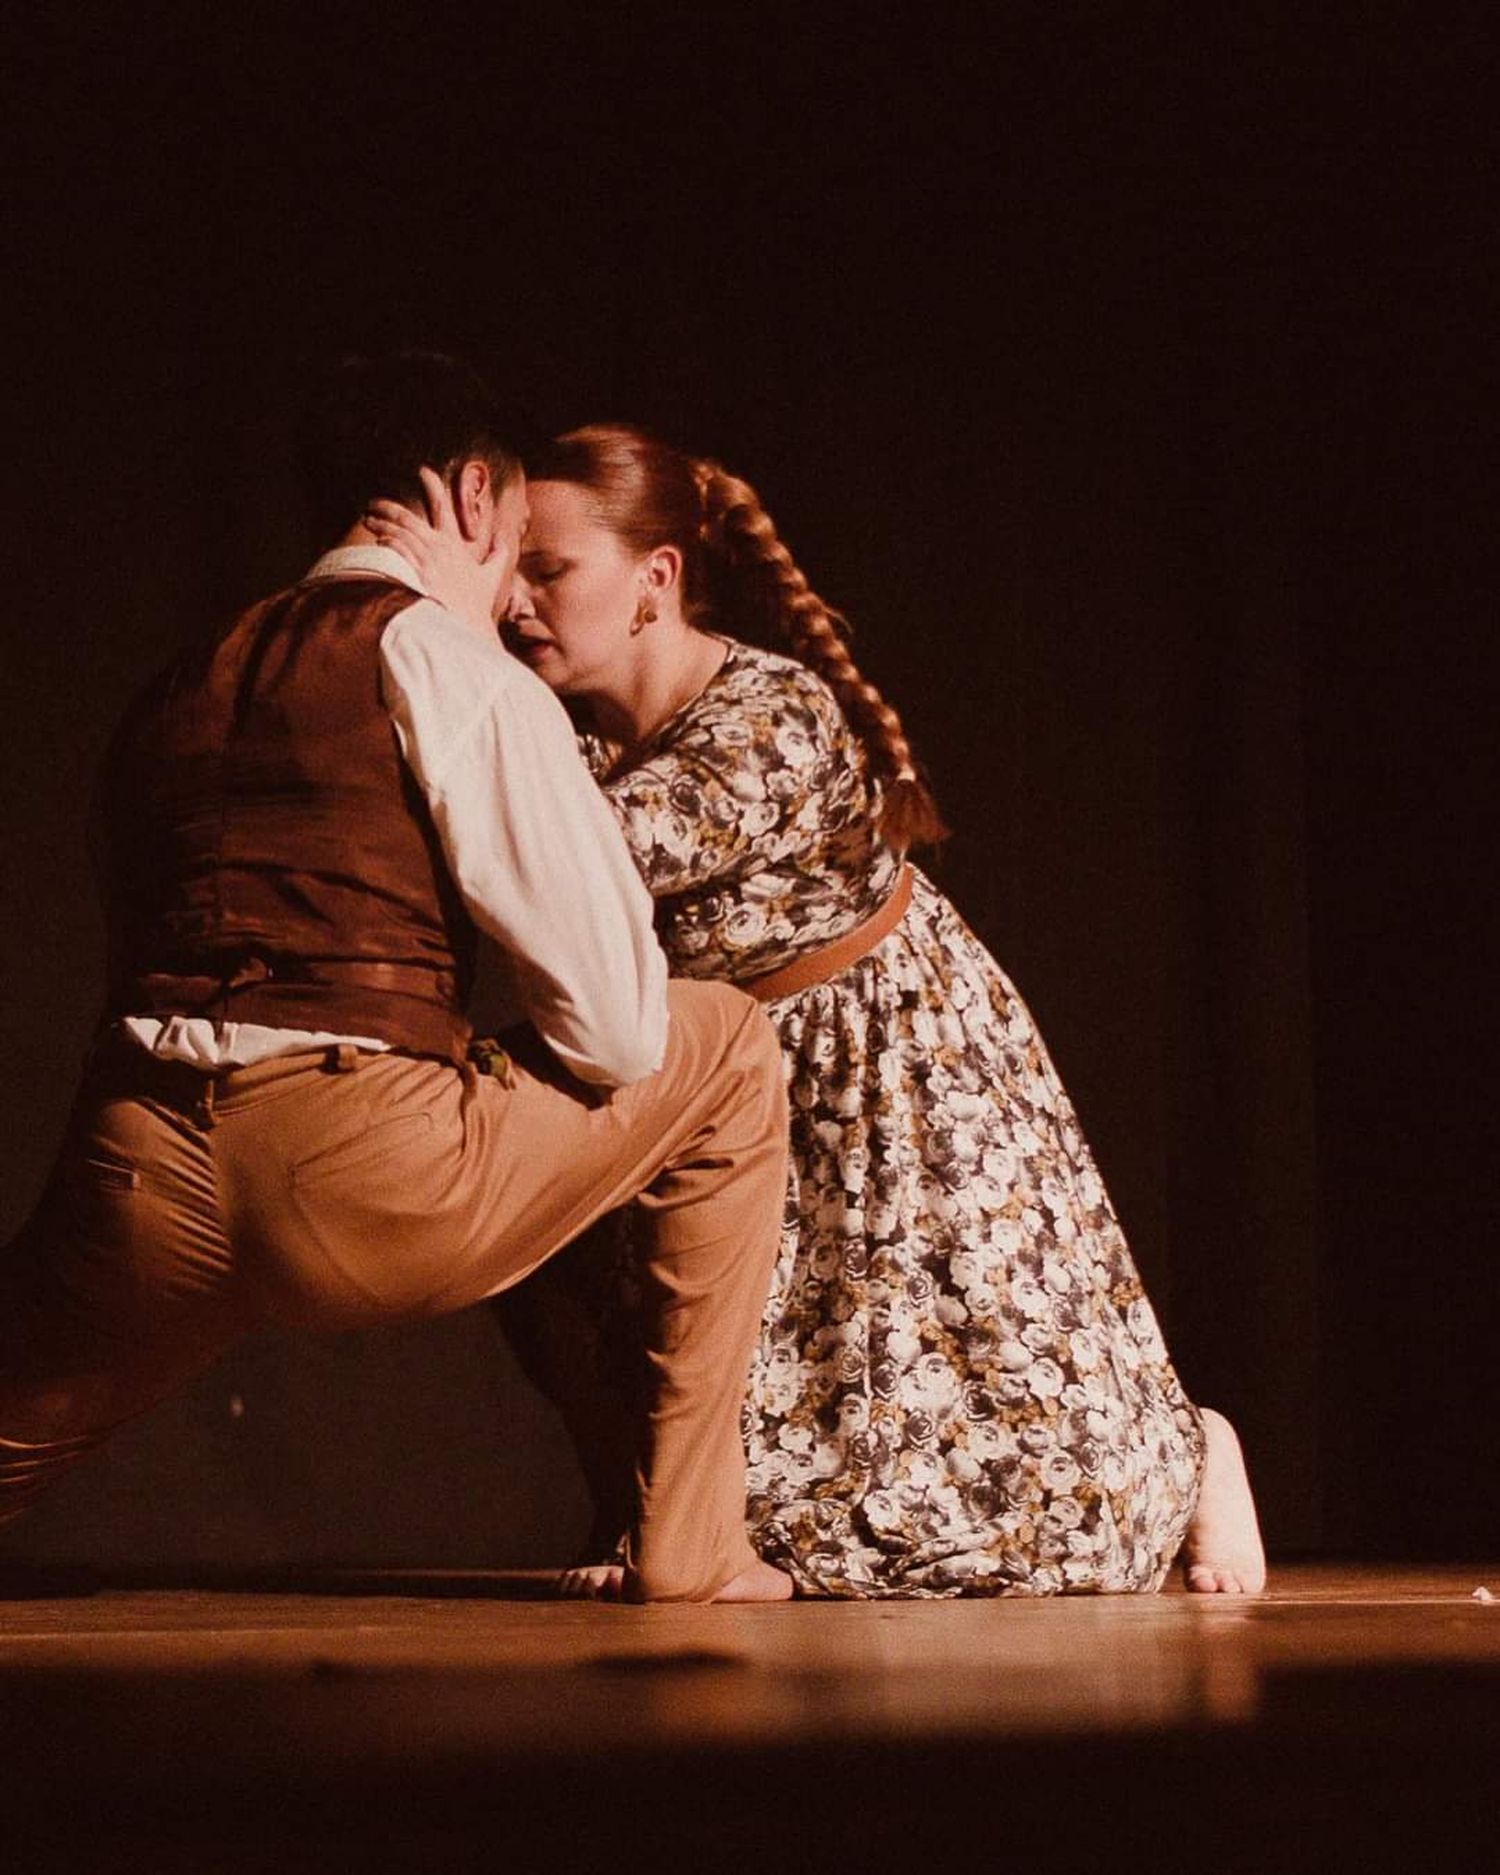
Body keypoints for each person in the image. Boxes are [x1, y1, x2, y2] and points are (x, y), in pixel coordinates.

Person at [367, 425, 1266, 1598]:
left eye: (551, 569)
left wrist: (440, 643)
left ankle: (1195, 1453)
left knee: (1014, 1495)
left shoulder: (772, 717)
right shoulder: (569, 734)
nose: (519, 601)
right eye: (510, 570)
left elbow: (588, 858)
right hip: (711, 1073)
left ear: (656, 580)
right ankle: (671, 1526)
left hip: (877, 1070)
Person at [0, 362, 794, 1605]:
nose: (519, 595)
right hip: (364, 1180)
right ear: (473, 495)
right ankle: (692, 1547)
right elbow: (618, 1029)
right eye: (522, 541)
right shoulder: (453, 667)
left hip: (135, 1181)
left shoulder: (178, 683)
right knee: (725, 1043)